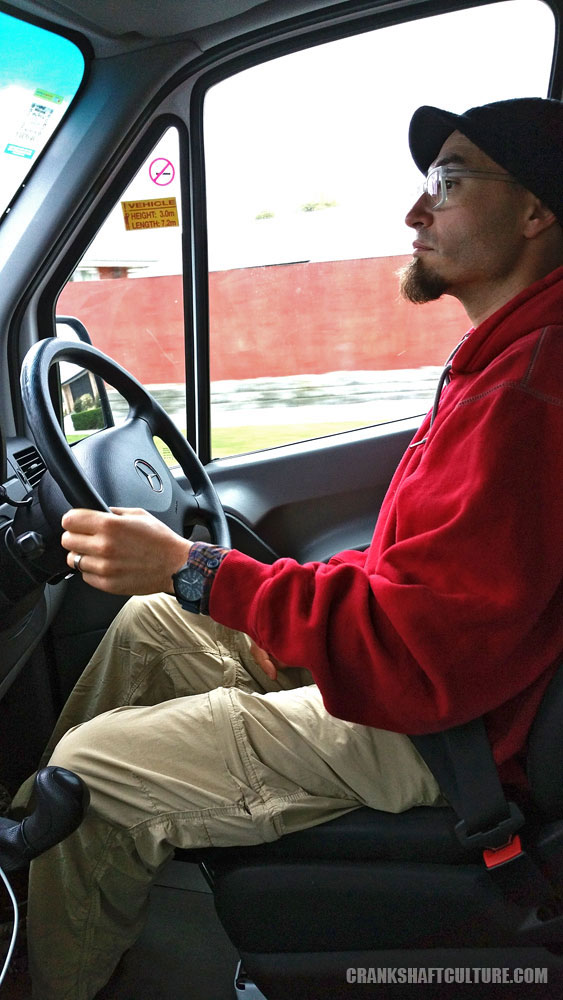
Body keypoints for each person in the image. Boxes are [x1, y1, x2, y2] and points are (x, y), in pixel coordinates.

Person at [23, 97, 563, 998]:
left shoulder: (528, 394)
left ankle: (42, 973)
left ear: (536, 212)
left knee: (91, 771)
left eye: (451, 181)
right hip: (437, 683)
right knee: (153, 624)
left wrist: (198, 567)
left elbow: (421, 647)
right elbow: (412, 573)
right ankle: (40, 854)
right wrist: (221, 589)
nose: (415, 210)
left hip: (445, 733)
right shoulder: (500, 360)